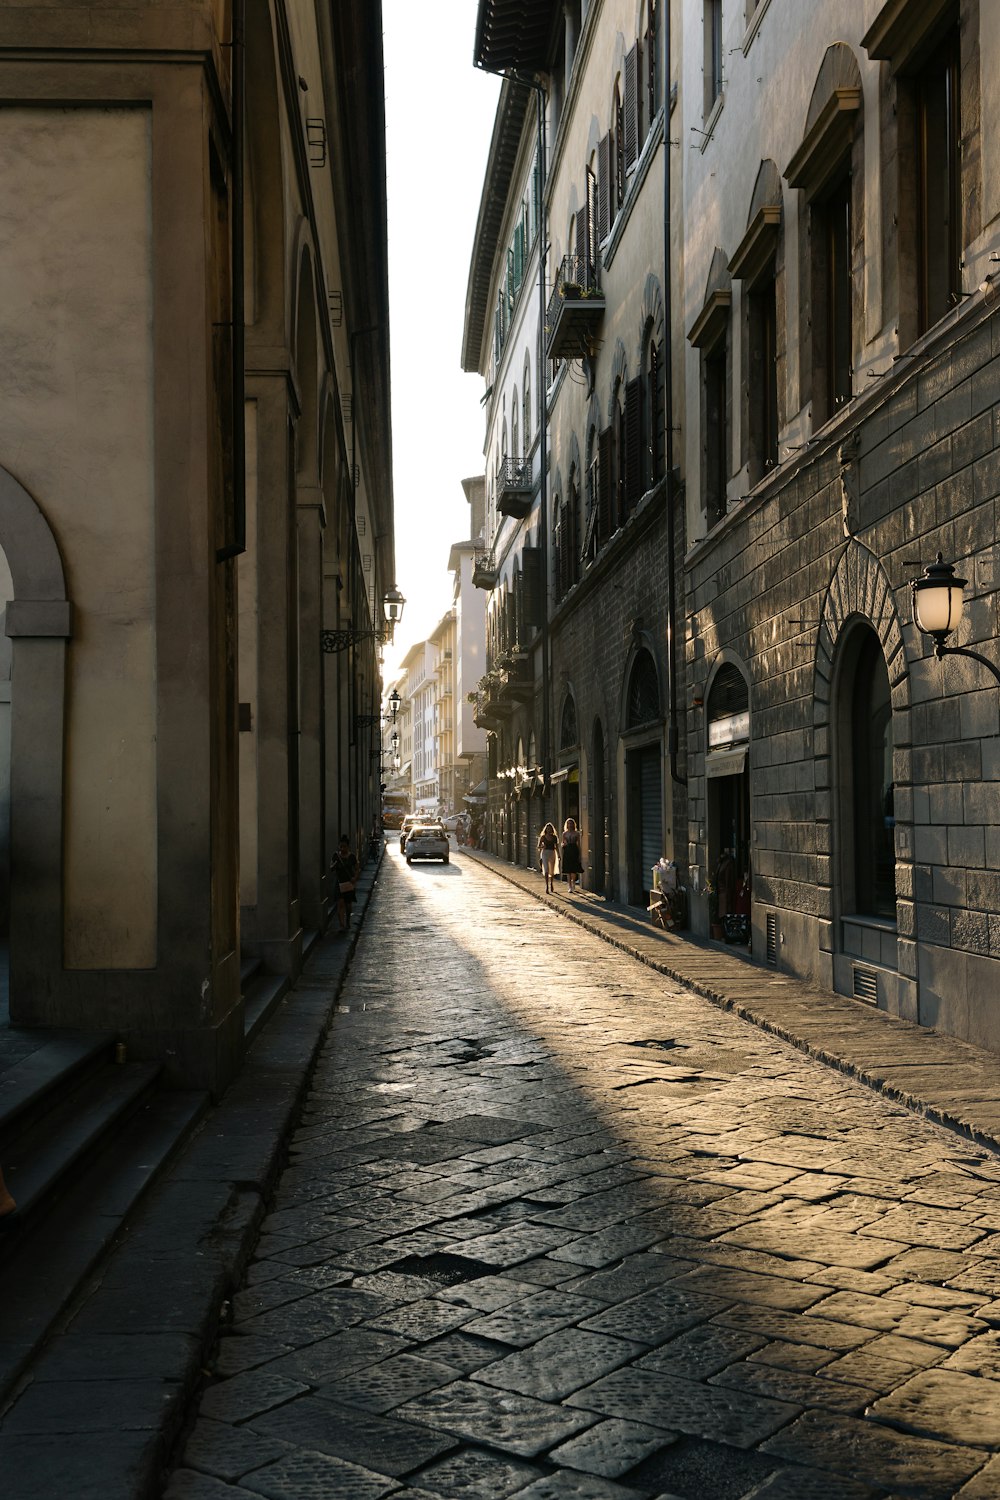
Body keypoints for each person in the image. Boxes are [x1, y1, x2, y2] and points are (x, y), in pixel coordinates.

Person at [332, 835, 360, 934]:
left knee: (348, 905)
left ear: (348, 846)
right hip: (339, 883)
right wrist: (334, 865)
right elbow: (331, 868)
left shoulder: (352, 857)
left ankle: (347, 921)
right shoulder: (336, 856)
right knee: (340, 904)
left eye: (344, 846)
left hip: (349, 883)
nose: (342, 848)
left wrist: (355, 878)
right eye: (341, 846)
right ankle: (341, 925)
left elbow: (357, 868)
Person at [560, 817, 583, 894]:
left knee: (574, 869)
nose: (570, 825)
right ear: (567, 825)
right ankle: (569, 886)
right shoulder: (564, 833)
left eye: (571, 823)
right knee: (568, 870)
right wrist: (563, 845)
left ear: (573, 824)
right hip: (567, 851)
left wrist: (580, 854)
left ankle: (573, 884)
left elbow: (579, 845)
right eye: (568, 823)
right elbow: (562, 843)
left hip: (574, 851)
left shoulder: (577, 833)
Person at [537, 822, 559, 894]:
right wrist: (542, 847)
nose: (549, 830)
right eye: (547, 829)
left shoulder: (554, 837)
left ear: (552, 829)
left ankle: (551, 883)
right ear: (545, 829)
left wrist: (559, 855)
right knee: (546, 869)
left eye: (550, 829)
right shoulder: (543, 837)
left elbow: (557, 847)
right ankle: (547, 886)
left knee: (551, 870)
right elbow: (538, 846)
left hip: (552, 853)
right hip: (545, 853)